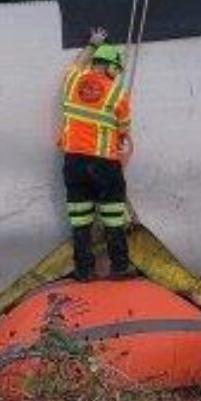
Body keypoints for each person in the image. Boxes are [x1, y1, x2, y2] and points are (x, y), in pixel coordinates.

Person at [59, 28, 133, 281]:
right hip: (104, 166)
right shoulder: (118, 93)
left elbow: (76, 63)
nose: (117, 75)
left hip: (73, 163)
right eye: (117, 70)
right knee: (113, 219)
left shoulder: (72, 81)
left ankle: (84, 271)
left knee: (80, 221)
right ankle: (120, 268)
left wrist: (91, 44)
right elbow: (124, 132)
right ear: (111, 66)